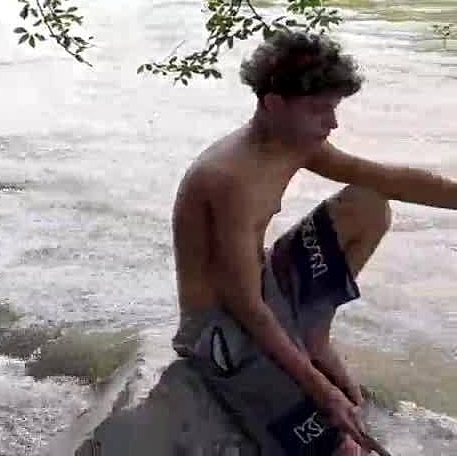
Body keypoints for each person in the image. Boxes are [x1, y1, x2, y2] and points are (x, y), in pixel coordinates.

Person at [170, 28, 457, 456]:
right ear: (273, 104)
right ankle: (305, 357)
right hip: (223, 325)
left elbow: (389, 179)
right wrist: (321, 390)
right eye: (320, 110)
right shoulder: (228, 178)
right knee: (344, 448)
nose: (333, 123)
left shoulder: (295, 141)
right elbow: (245, 306)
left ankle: (314, 332)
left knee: (367, 202)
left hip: (264, 287)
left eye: (334, 108)